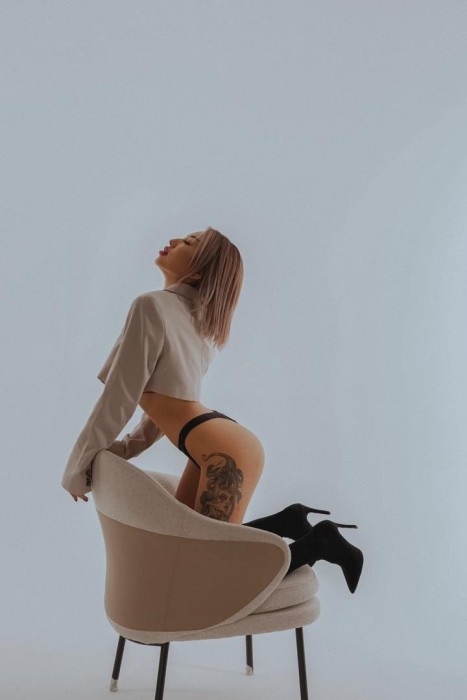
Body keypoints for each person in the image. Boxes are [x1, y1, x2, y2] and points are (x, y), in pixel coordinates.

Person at [61, 226, 364, 593]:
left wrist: (77, 469)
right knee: (181, 551)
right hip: (216, 444)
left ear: (199, 270)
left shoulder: (150, 306)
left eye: (189, 243)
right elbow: (159, 417)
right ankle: (288, 521)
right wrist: (120, 451)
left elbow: (119, 399)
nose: (174, 241)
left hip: (221, 452)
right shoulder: (198, 326)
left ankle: (320, 542)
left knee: (208, 574)